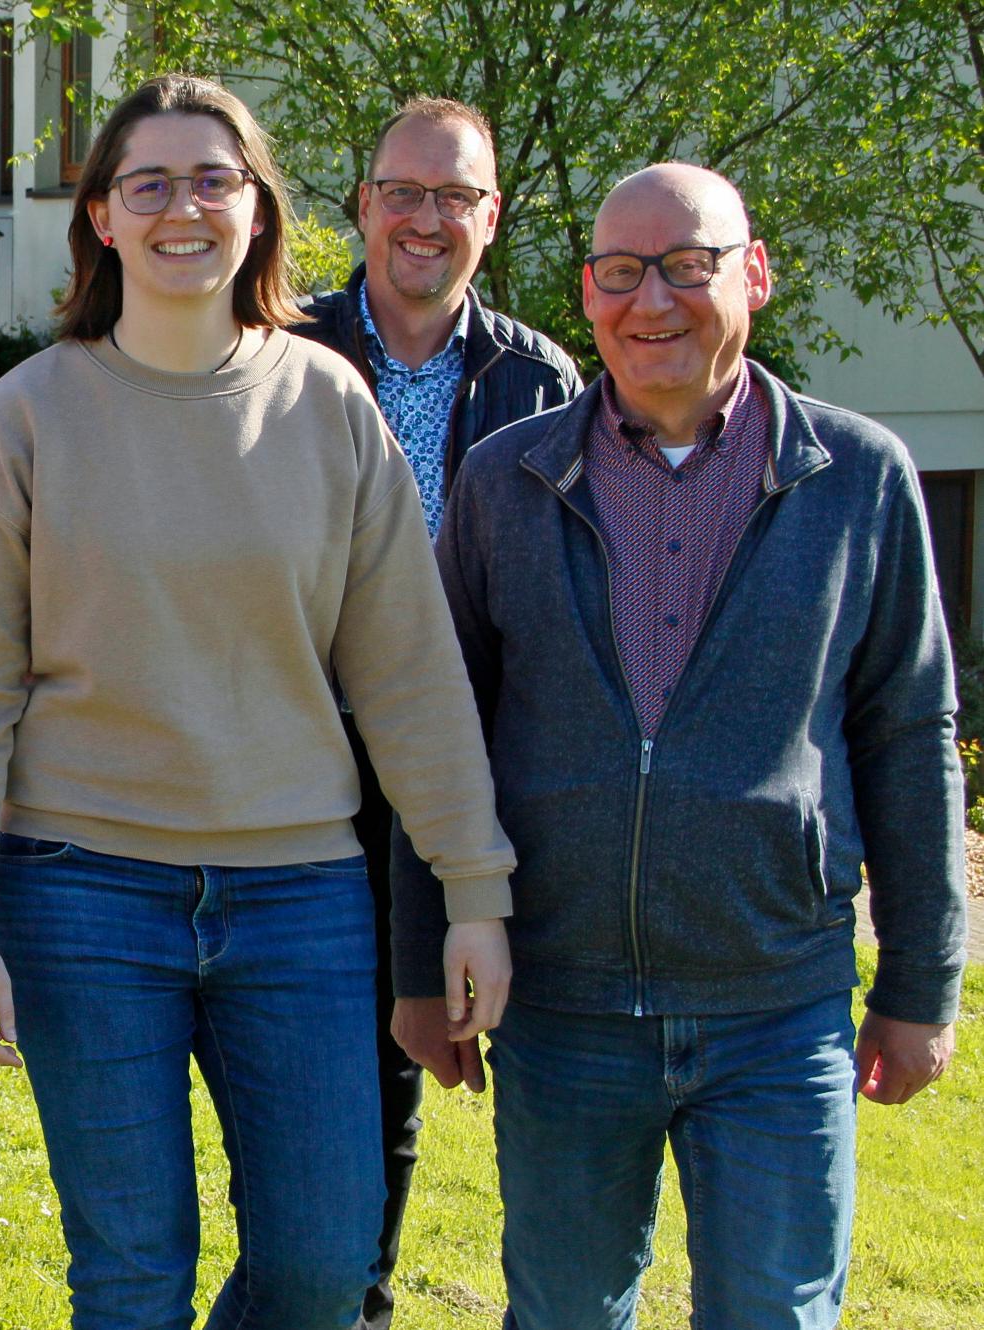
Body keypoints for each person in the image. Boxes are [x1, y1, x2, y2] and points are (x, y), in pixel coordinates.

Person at [0, 74, 517, 1329]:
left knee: (320, 1267)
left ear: (259, 213)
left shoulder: (330, 405)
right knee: (132, 1277)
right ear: (102, 219)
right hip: (81, 887)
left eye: (214, 179)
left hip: (299, 894)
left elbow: (407, 671)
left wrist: (472, 888)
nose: (183, 206)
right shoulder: (25, 417)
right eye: (150, 183)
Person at [392, 163, 966, 1329]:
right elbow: (439, 731)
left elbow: (909, 733)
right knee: (563, 1312)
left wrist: (919, 983)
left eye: (687, 265)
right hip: (564, 1006)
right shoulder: (506, 480)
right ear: (586, 292)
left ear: (752, 273)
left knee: (773, 1312)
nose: (650, 299)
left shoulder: (857, 479)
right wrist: (415, 965)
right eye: (618, 272)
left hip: (777, 1006)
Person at [287, 95, 579, 1330]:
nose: (423, 218)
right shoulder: (281, 349)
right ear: (360, 204)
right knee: (323, 1069)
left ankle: (366, 1295)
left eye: (453, 195)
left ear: (491, 217)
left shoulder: (540, 381)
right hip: (298, 759)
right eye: (400, 191)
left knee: (416, 1058)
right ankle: (325, 1282)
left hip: (464, 767)